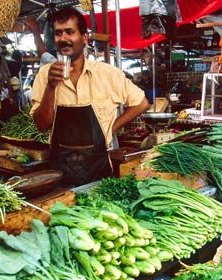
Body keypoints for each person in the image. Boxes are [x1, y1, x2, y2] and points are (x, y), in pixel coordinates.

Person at [31, 7, 149, 185]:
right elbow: (41, 125)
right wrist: (51, 86)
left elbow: (141, 103)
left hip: (100, 170)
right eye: (58, 33)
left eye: (70, 32)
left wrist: (110, 129)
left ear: (84, 38)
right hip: (58, 171)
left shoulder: (108, 74)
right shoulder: (44, 75)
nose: (63, 39)